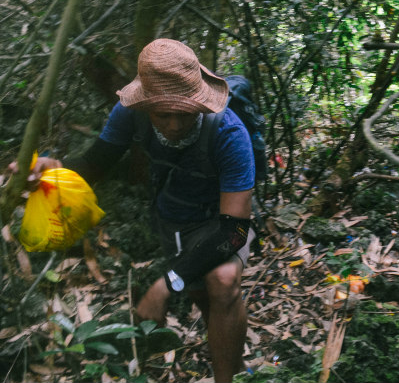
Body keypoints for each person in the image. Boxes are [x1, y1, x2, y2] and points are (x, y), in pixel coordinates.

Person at [30, 39, 256, 383]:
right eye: (163, 114)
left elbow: (235, 231)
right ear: (146, 106)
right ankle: (238, 368)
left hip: (220, 220)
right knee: (204, 296)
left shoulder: (229, 133)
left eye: (185, 112)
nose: (176, 124)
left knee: (222, 283)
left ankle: (229, 379)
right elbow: (94, 163)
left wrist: (165, 286)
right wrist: (54, 167)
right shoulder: (128, 114)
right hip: (174, 216)